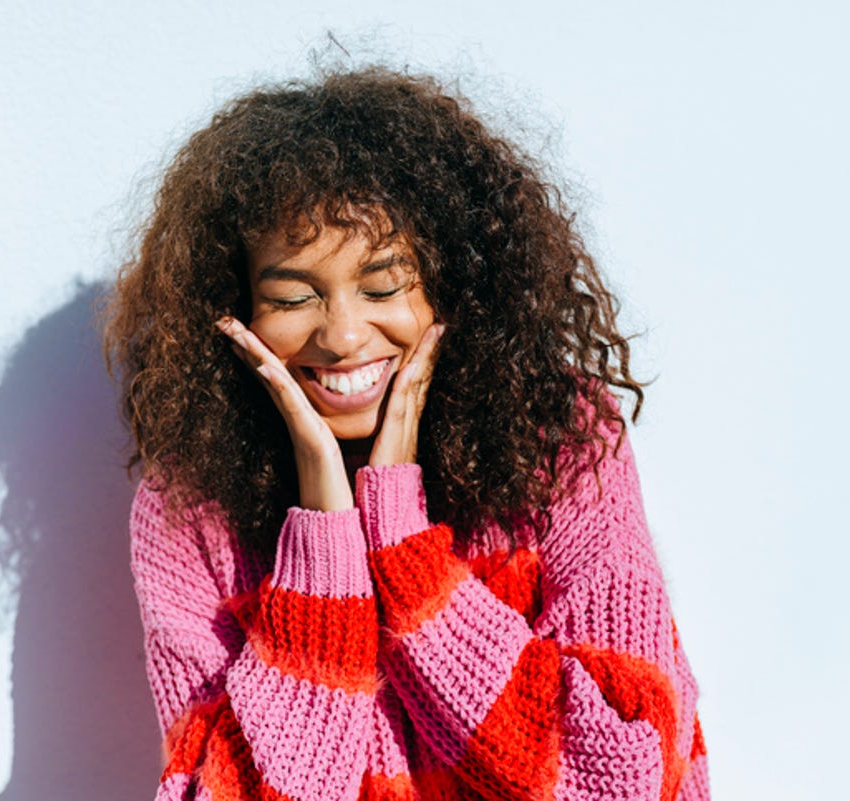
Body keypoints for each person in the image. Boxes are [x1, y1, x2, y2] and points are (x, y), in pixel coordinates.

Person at [101, 65, 710, 801]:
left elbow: (622, 773)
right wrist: (324, 544)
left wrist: (405, 551)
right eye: (294, 297)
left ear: (452, 278)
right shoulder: (189, 514)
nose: (345, 333)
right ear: (234, 313)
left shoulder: (561, 441)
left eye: (384, 285)